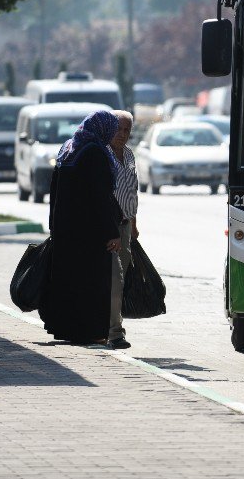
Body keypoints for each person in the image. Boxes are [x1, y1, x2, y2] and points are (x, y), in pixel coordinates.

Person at [38, 110, 123, 346]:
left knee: (68, 281)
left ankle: (68, 328)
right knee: (92, 282)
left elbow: (54, 191)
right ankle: (92, 332)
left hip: (66, 228)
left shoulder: (69, 148)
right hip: (90, 232)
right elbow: (99, 197)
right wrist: (112, 231)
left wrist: (54, 224)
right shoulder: (95, 152)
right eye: (113, 129)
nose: (114, 134)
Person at [107, 110, 139, 350]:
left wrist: (135, 225)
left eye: (127, 130)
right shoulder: (102, 155)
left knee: (121, 278)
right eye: (118, 129)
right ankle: (115, 332)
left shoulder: (129, 155)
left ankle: (108, 325)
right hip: (109, 227)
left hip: (126, 226)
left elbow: (132, 191)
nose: (122, 134)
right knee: (115, 280)